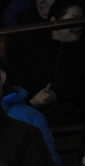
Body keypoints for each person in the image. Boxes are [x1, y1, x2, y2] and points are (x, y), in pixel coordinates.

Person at [8, 0, 84, 128]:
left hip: (74, 119)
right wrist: (33, 99)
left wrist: (57, 96)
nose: (79, 26)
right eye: (74, 20)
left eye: (81, 21)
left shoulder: (80, 54)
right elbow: (18, 85)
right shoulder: (32, 50)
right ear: (54, 21)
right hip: (34, 117)